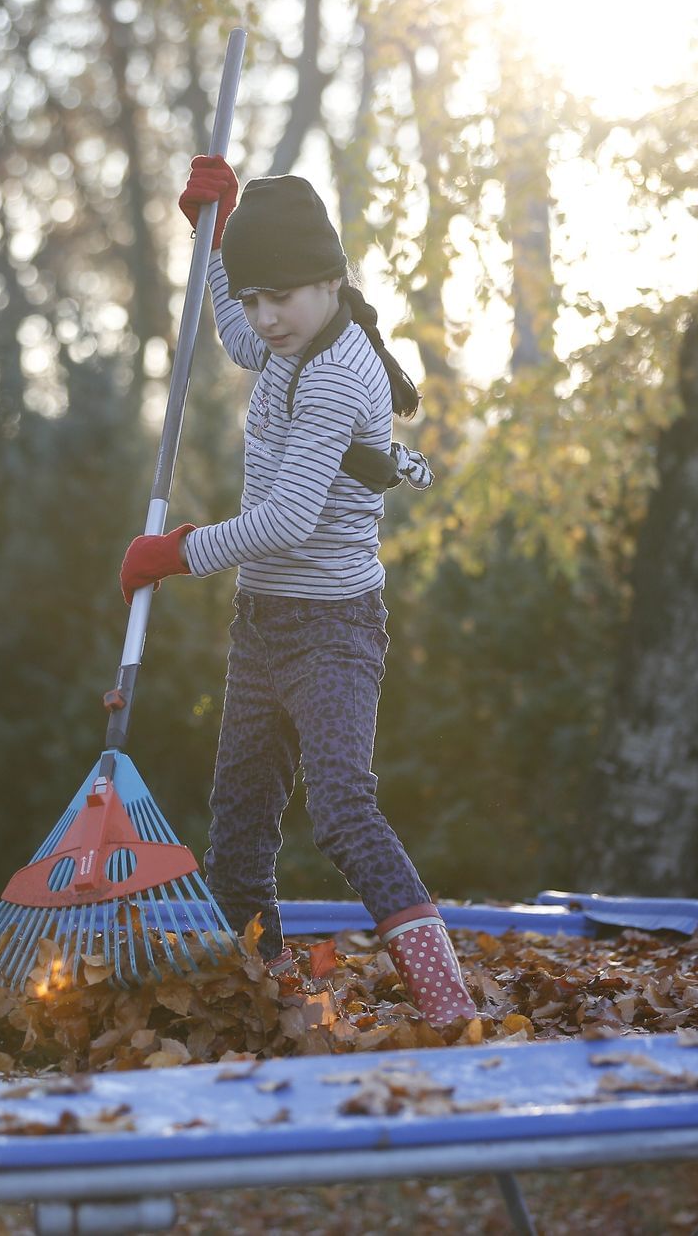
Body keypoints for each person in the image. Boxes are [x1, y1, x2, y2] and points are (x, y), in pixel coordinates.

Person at [118, 156, 472, 1028]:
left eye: (283, 293)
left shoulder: (341, 374)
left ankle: (448, 1000)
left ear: (332, 281)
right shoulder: (282, 337)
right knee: (237, 827)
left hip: (333, 631)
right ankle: (257, 995)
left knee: (343, 809)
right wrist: (212, 233)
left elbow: (284, 521)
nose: (265, 315)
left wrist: (178, 551)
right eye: (254, 293)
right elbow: (236, 337)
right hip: (262, 624)